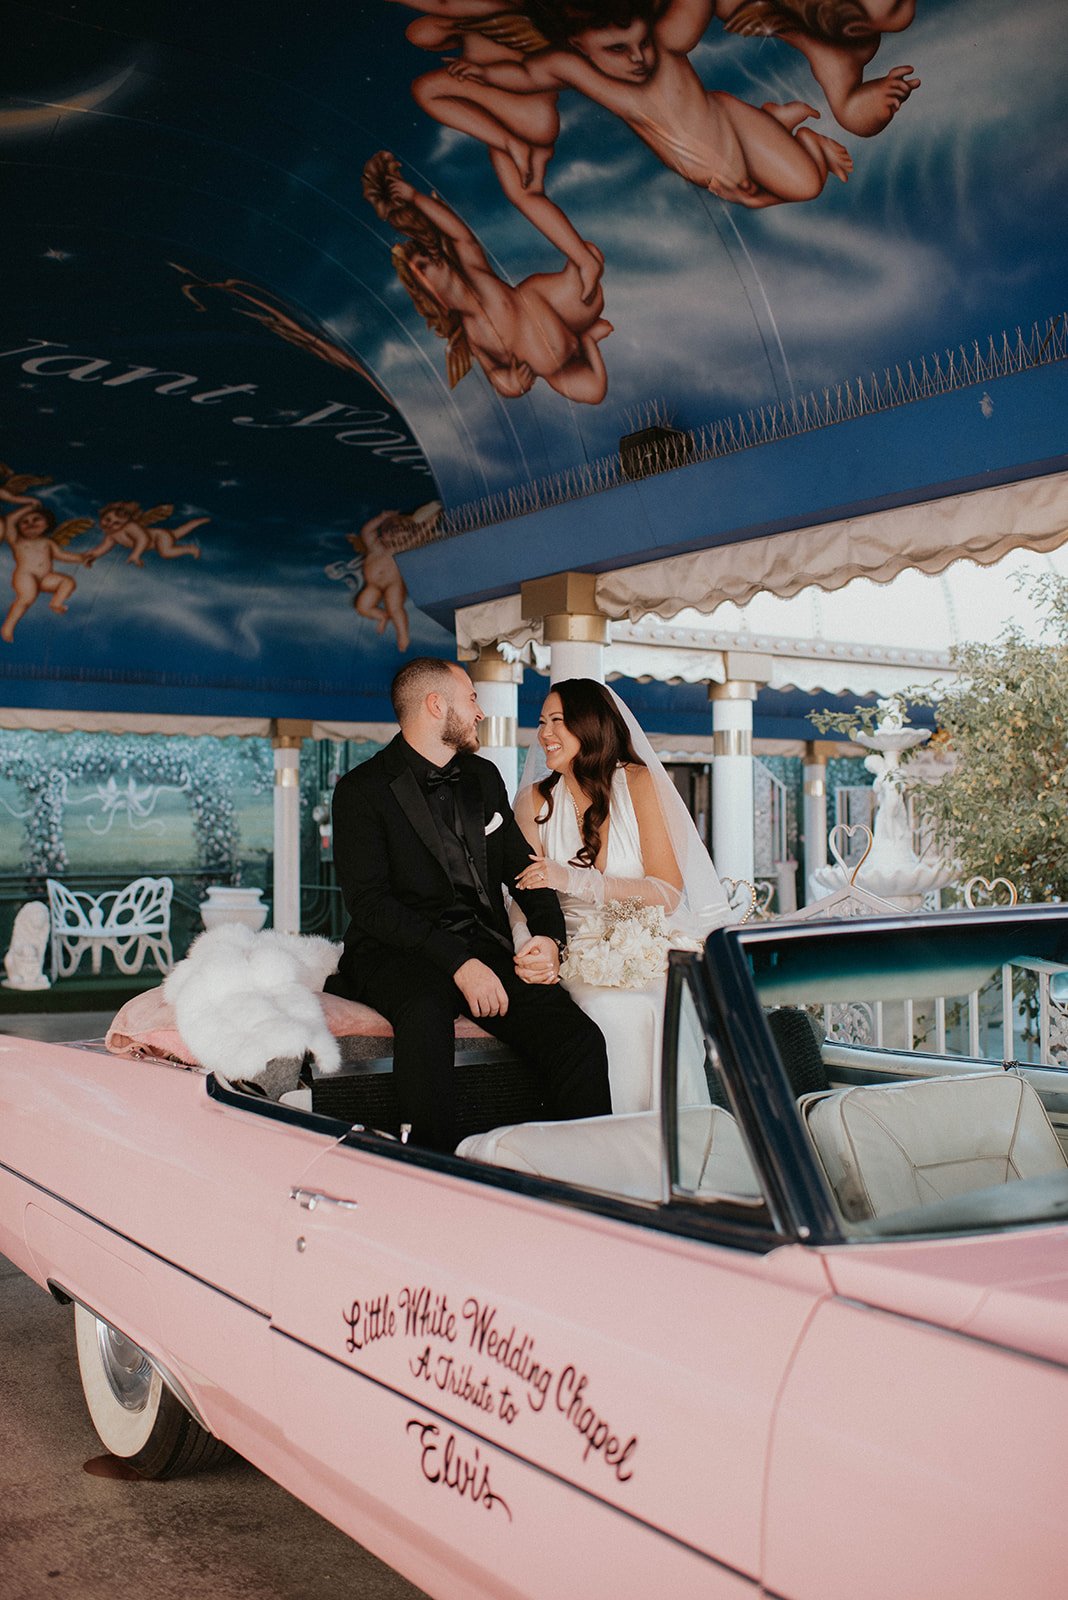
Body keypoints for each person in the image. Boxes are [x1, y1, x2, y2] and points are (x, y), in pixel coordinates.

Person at [326, 657, 611, 1152]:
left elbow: (524, 871)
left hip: (484, 944)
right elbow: (371, 905)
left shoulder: (484, 776)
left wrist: (549, 938)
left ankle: (579, 1175)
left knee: (578, 1039)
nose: (480, 712)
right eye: (472, 699)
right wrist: (460, 964)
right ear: (437, 705)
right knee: (424, 1016)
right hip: (397, 952)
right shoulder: (360, 790)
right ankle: (431, 1169)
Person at [513, 678, 730, 1112]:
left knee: (658, 1006)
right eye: (541, 722)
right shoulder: (533, 802)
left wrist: (575, 880)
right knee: (608, 1009)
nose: (544, 734)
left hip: (642, 946)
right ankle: (611, 1138)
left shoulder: (640, 784)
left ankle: (670, 1138)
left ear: (590, 725)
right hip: (574, 949)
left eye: (557, 721)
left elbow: (667, 891)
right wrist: (529, 944)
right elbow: (518, 894)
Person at [447, 0, 853, 209]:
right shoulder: (577, 69)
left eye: (641, 42)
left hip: (733, 125)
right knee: (753, 192)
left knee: (807, 186)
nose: (639, 58)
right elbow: (528, 74)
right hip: (715, 169)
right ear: (578, 44)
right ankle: (776, 123)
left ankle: (804, 140)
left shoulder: (667, 42)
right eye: (617, 49)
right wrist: (484, 74)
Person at [364, 153, 612, 403]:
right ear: (425, 293)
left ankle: (582, 325)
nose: (427, 258)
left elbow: (461, 237)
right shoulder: (473, 334)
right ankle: (587, 340)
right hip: (557, 365)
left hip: (552, 305)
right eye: (421, 267)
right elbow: (494, 374)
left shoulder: (474, 273)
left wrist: (414, 197)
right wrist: (512, 383)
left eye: (424, 255)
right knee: (593, 391)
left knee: (589, 257)